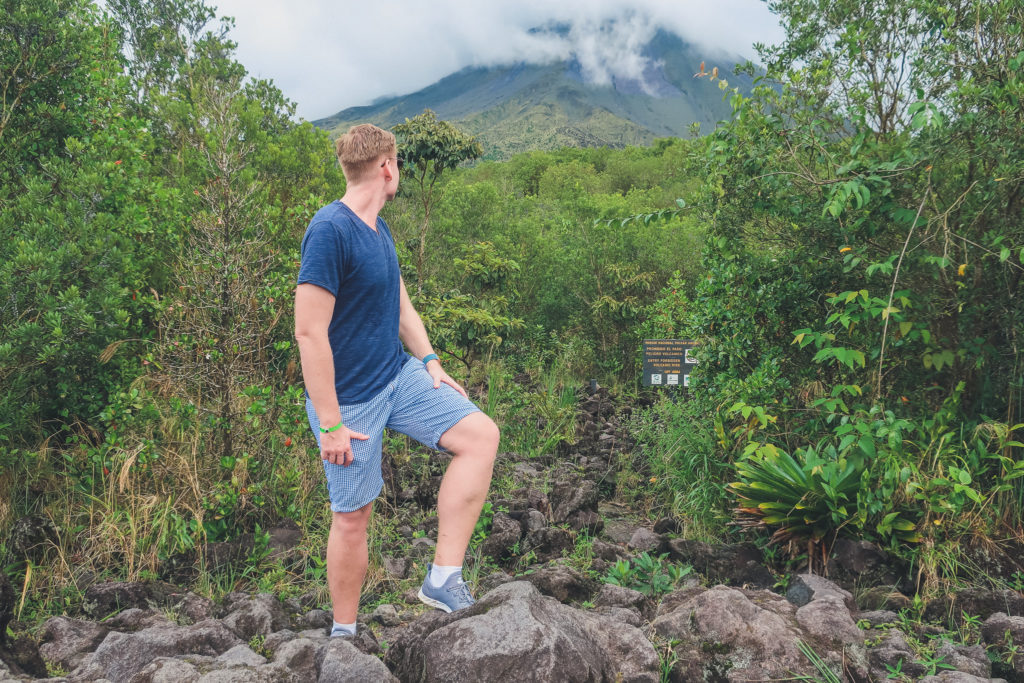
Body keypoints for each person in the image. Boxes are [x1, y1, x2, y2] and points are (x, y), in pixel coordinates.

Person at [294, 123, 499, 638]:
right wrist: (330, 423)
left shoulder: (378, 230)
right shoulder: (330, 229)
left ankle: (443, 578)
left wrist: (429, 360)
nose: (398, 171)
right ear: (386, 167)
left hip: (396, 375)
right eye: (398, 163)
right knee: (352, 516)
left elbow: (401, 305)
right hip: (351, 403)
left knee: (480, 437)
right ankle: (344, 632)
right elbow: (308, 333)